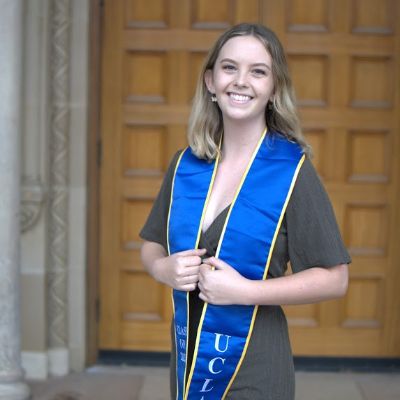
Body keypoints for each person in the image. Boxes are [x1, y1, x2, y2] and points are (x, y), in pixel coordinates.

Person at [140, 23, 350, 400]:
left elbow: (335, 278)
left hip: (256, 363)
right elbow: (152, 244)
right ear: (210, 81)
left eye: (258, 71)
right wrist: (162, 268)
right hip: (189, 356)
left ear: (273, 89)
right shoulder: (186, 165)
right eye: (229, 68)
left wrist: (245, 290)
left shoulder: (291, 173)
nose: (241, 81)